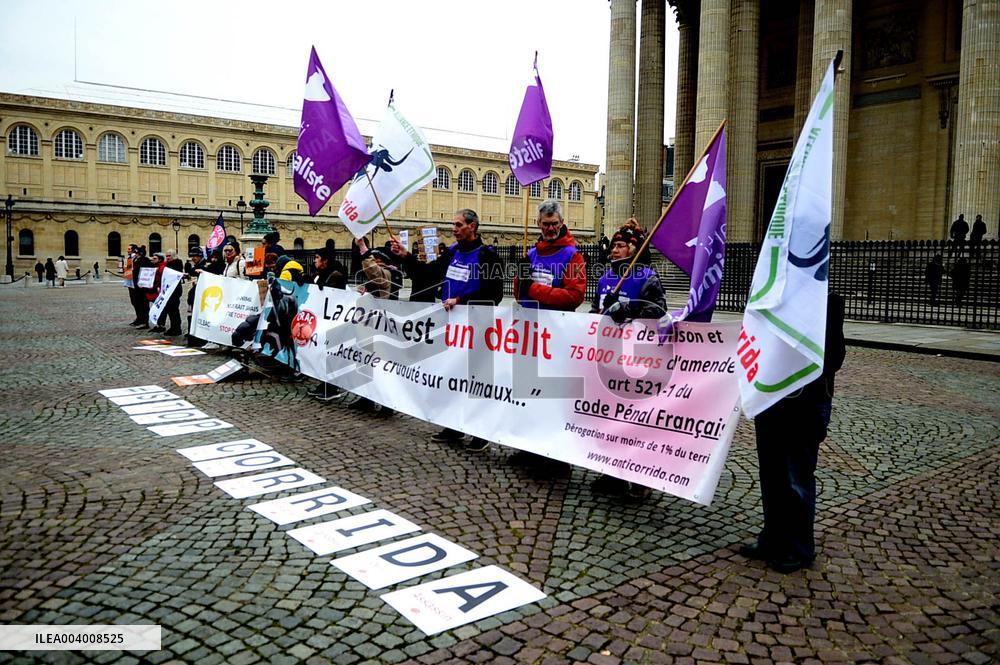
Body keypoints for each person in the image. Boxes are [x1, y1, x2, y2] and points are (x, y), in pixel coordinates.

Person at [740, 291, 846, 573]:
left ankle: (800, 547)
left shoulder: (826, 300)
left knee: (796, 477)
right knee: (771, 473)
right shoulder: (766, 298)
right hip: (771, 402)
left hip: (805, 404)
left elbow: (834, 357)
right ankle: (772, 538)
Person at [391, 208, 504, 450]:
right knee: (453, 377)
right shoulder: (452, 252)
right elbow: (428, 276)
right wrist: (405, 256)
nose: (454, 229)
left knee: (476, 381)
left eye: (458, 224)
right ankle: (454, 426)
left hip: (478, 327)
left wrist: (462, 301)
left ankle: (480, 432)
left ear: (472, 226)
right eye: (454, 225)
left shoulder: (488, 256)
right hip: (453, 329)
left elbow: (494, 294)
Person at [589, 224, 667, 501]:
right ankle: (611, 473)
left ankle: (640, 479)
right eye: (613, 246)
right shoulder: (606, 278)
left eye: (619, 246)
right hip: (608, 357)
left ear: (633, 249)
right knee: (609, 417)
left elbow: (658, 311)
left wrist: (627, 308)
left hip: (636, 360)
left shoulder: (647, 277)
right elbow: (596, 311)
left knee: (634, 420)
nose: (614, 250)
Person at [510, 199, 587, 475]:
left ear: (561, 223)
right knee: (528, 392)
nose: (551, 228)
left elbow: (575, 296)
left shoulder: (573, 256)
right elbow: (520, 295)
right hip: (530, 332)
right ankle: (529, 446)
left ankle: (556, 456)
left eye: (555, 224)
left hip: (555, 335)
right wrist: (519, 279)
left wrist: (534, 290)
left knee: (552, 397)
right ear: (538, 225)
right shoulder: (530, 254)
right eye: (546, 224)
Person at [348, 237, 398, 416]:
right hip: (370, 325)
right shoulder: (378, 277)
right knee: (366, 363)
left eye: (377, 261)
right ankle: (367, 398)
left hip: (383, 327)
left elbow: (375, 274)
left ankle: (387, 404)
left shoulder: (387, 274)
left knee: (382, 367)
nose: (374, 264)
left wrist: (363, 248)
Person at [306, 247, 349, 402]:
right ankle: (323, 383)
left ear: (325, 260)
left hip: (333, 320)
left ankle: (332, 387)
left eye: (317, 257)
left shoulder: (335, 275)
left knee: (331, 354)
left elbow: (331, 295)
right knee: (321, 352)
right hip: (322, 318)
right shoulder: (321, 274)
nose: (315, 260)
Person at [160, 250, 185, 337]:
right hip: (169, 289)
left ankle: (177, 328)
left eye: (169, 256)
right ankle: (173, 327)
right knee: (170, 310)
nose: (167, 257)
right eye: (166, 256)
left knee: (174, 310)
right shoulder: (168, 264)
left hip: (174, 290)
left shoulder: (177, 263)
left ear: (174, 256)